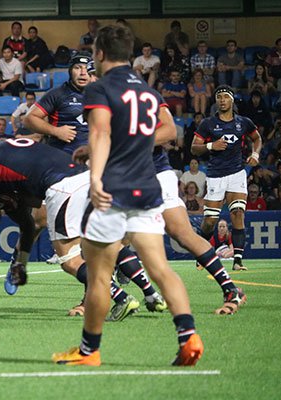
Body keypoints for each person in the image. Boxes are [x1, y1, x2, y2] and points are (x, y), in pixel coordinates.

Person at [53, 24, 202, 367]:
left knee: (99, 276)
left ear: (100, 54)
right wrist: (93, 150)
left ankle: (89, 352)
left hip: (113, 192)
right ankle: (188, 335)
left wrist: (95, 177)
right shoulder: (148, 92)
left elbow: (103, 132)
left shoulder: (100, 88)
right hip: (148, 188)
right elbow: (165, 132)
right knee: (161, 268)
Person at [0, 139, 166, 320]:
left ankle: (121, 298)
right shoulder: (13, 152)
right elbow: (28, 222)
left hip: (64, 186)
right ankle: (152, 295)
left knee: (69, 260)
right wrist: (19, 262)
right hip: (88, 176)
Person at [192, 85, 262, 272]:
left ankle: (237, 261)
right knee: (209, 222)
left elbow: (257, 138)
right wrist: (210, 146)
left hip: (237, 173)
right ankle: (201, 254)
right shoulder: (208, 124)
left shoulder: (243, 122)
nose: (222, 100)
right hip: (215, 176)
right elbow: (194, 148)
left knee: (238, 213)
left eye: (225, 96)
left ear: (232, 100)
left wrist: (255, 154)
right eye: (219, 97)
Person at [24, 56, 91, 154]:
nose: (83, 73)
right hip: (62, 156)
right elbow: (29, 119)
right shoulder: (57, 94)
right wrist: (56, 131)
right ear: (70, 71)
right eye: (78, 68)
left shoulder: (101, 94)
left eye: (87, 68)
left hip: (93, 156)